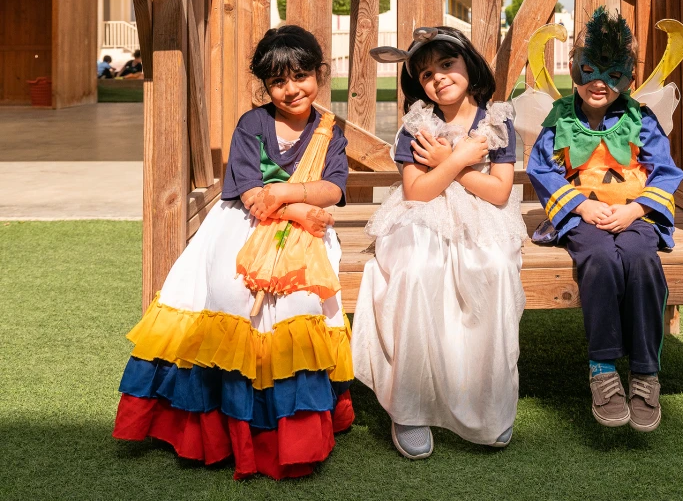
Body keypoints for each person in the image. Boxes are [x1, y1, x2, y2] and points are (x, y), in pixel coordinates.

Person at [111, 25, 355, 480]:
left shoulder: (329, 131)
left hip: (304, 235)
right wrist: (298, 208)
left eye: (300, 76)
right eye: (278, 82)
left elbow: (334, 187)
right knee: (229, 294)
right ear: (265, 87)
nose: (290, 89)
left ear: (319, 74)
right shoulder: (253, 124)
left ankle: (291, 435)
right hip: (244, 222)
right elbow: (248, 192)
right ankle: (221, 431)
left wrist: (291, 197)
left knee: (300, 301)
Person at [352, 26, 526, 459]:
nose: (439, 78)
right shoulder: (417, 126)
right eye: (427, 74)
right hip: (421, 213)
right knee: (417, 266)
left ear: (469, 65)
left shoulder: (496, 120)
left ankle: (488, 403)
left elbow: (499, 193)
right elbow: (418, 193)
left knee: (494, 268)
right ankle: (410, 406)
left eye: (447, 65)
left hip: (483, 215)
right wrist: (464, 162)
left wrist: (451, 161)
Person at [527, 7, 683, 432]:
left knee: (640, 259)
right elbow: (541, 169)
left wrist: (635, 209)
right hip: (582, 216)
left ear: (628, 76)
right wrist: (580, 206)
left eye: (613, 73)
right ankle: (602, 367)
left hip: (635, 214)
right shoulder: (559, 118)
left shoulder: (641, 119)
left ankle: (646, 371)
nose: (600, 83)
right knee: (598, 258)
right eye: (591, 70)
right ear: (576, 68)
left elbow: (665, 171)